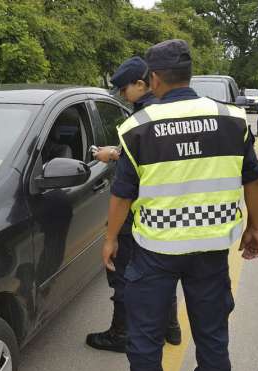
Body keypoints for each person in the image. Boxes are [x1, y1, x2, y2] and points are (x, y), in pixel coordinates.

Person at [102, 39, 258, 371]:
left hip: (154, 250)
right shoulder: (231, 119)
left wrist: (111, 239)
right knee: (212, 337)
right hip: (211, 248)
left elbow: (122, 193)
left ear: (155, 79)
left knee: (145, 339)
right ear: (189, 75)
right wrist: (255, 227)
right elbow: (253, 180)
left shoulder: (137, 127)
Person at [86, 57, 182, 354]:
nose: (121, 96)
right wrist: (115, 154)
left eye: (123, 89)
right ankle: (172, 328)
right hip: (168, 212)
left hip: (139, 213)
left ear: (141, 84)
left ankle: (120, 334)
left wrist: (110, 236)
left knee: (124, 274)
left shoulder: (138, 120)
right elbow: (152, 154)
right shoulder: (167, 112)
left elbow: (125, 189)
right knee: (163, 271)